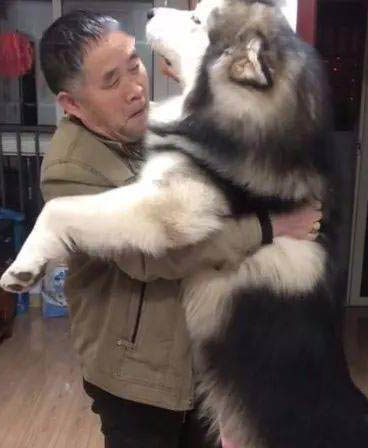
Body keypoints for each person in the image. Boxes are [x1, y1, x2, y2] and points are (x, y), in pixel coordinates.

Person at [38, 10, 322, 448]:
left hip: (199, 358)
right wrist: (273, 227)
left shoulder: (157, 124)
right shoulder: (70, 171)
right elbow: (159, 253)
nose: (135, 88)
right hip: (134, 378)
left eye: (134, 65)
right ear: (72, 104)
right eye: (111, 82)